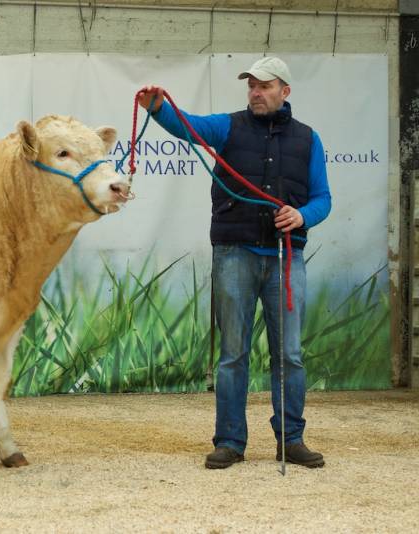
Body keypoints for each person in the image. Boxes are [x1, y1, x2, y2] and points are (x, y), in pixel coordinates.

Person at [139, 57, 331, 469]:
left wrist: (302, 216)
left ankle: (291, 440)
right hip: (233, 253)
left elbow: (323, 199)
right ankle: (229, 441)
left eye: (265, 86)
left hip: (285, 256)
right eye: (252, 86)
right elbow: (187, 126)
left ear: (285, 91)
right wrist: (158, 109)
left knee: (291, 355)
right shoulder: (228, 126)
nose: (256, 93)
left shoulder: (308, 140)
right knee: (232, 355)